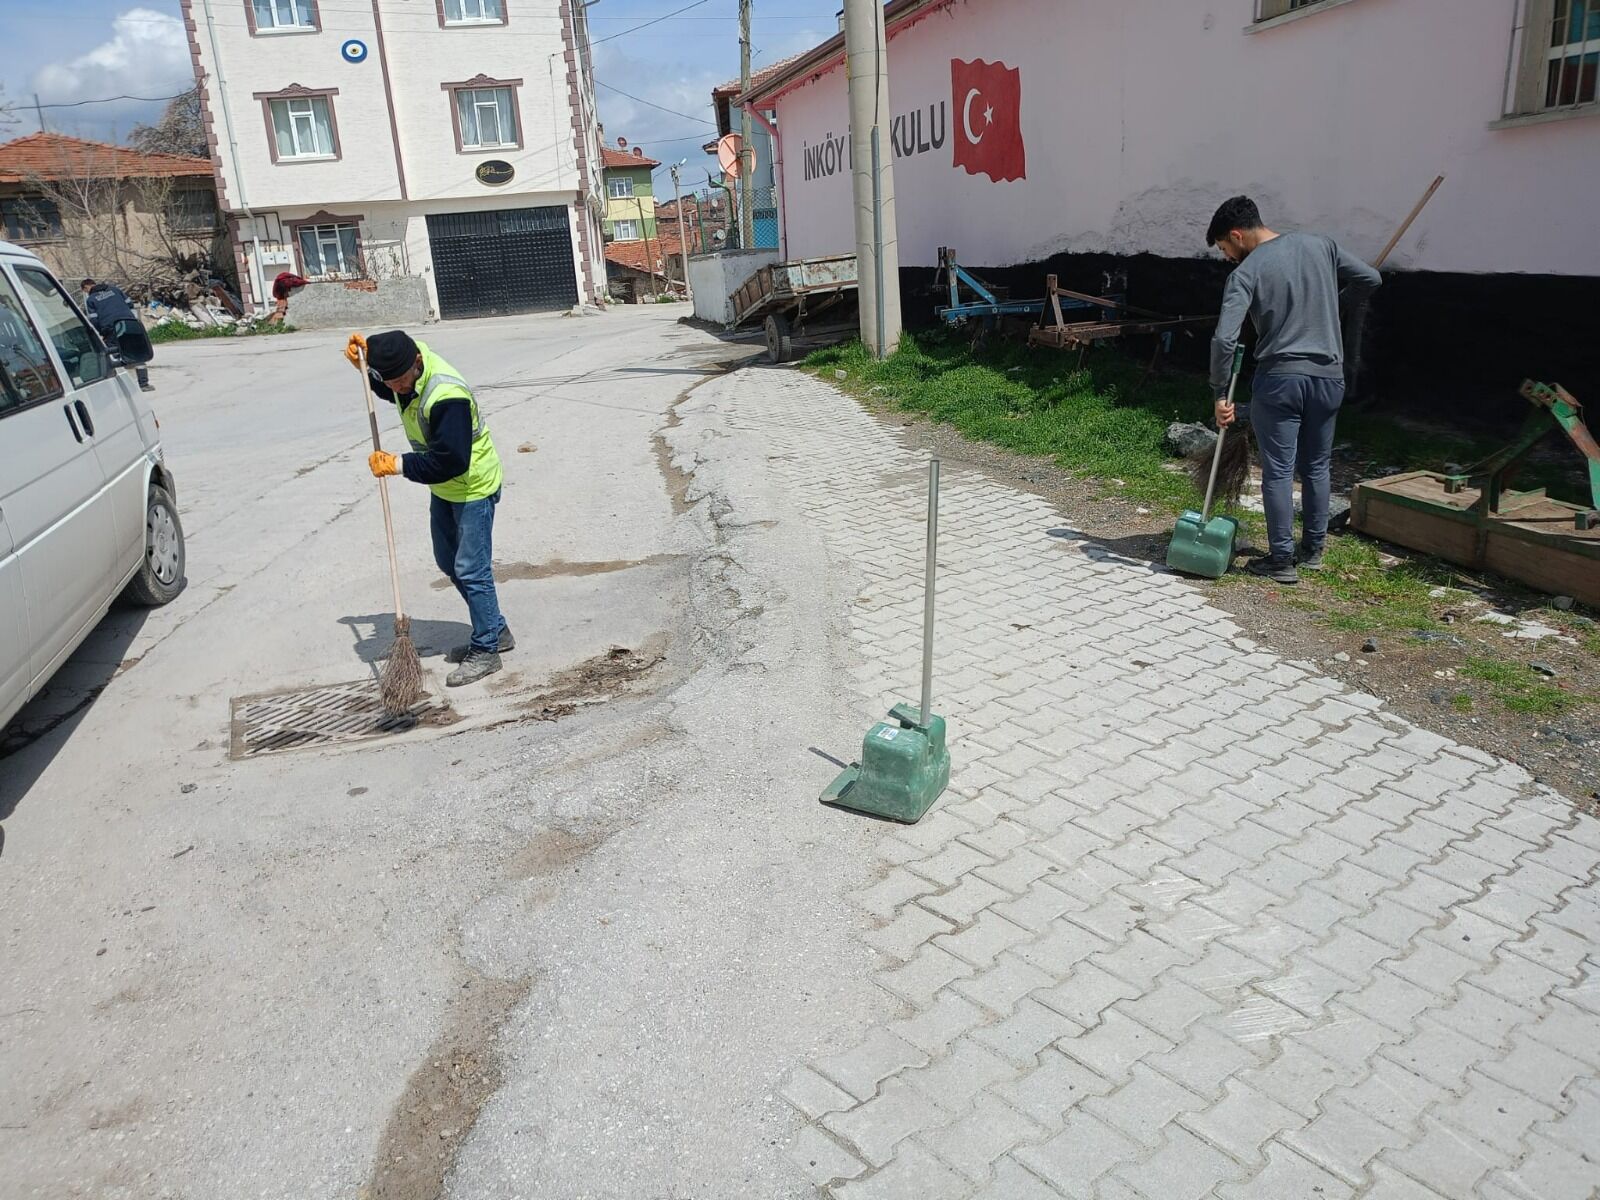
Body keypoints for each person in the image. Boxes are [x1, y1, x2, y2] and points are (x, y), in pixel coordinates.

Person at [1207, 196, 1381, 585]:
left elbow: (1224, 339)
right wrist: (1335, 305)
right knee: (1318, 465)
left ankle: (1281, 559)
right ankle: (1314, 551)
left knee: (1279, 471)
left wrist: (1221, 392)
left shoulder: (1247, 272)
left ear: (1237, 235)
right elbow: (1371, 278)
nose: (1228, 257)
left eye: (1225, 249)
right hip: (1328, 378)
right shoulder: (1323, 246)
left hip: (1281, 380)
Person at [345, 330, 513, 686]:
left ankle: (486, 650)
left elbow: (451, 461)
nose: (398, 389)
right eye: (390, 381)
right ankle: (495, 629)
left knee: (471, 569)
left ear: (417, 364)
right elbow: (389, 387)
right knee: (448, 562)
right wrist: (363, 368)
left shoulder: (446, 395)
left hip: (472, 486)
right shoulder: (403, 371)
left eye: (402, 381)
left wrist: (399, 464)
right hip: (446, 489)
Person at [81, 278, 153, 391]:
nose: (86, 293)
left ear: (86, 287)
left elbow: (94, 320)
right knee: (137, 352)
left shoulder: (91, 299)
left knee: (113, 356)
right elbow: (130, 304)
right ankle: (144, 384)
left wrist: (102, 332)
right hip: (129, 324)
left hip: (111, 328)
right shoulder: (115, 289)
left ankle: (121, 388)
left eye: (85, 291)